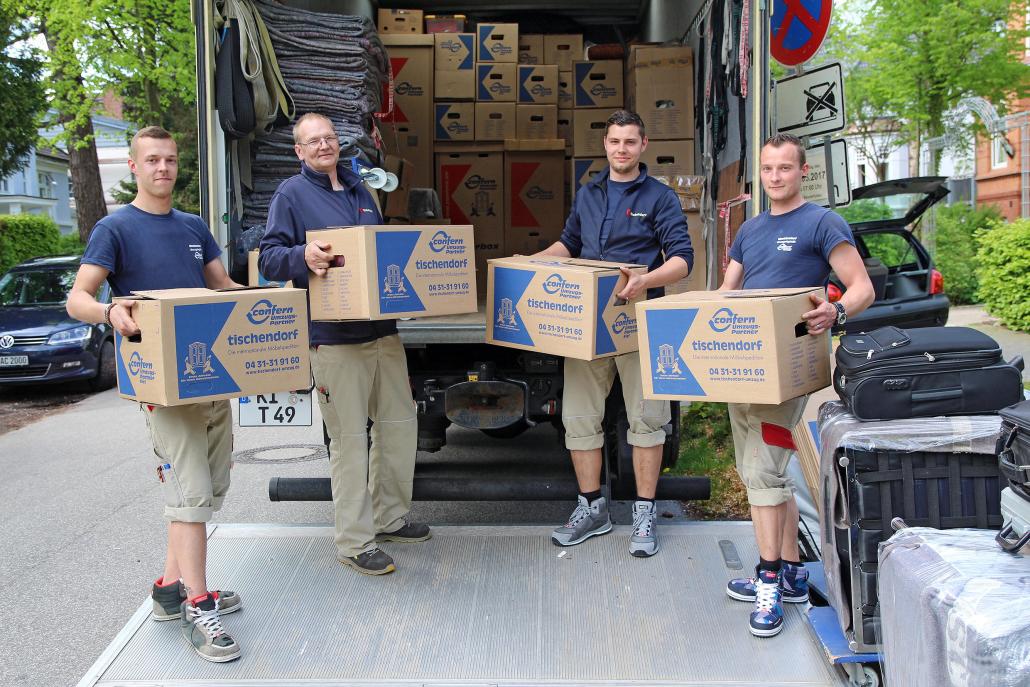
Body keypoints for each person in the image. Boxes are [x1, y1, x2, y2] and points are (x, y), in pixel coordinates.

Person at [67, 126, 244, 663]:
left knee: (210, 487)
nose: (163, 168)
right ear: (135, 167)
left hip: (211, 375)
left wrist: (276, 301)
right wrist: (109, 311)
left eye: (169, 160)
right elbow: (78, 297)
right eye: (152, 160)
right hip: (161, 387)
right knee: (190, 495)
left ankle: (169, 589)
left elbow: (223, 288)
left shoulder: (194, 227)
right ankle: (198, 604)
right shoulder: (114, 227)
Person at [259, 112, 429, 576]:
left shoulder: (361, 190)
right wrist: (302, 256)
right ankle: (355, 542)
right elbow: (269, 258)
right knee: (350, 441)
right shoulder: (291, 196)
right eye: (312, 141)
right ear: (299, 151)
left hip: (382, 334)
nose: (323, 146)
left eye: (329, 138)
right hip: (334, 341)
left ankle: (390, 517)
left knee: (398, 428)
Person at [720, 133, 875, 637]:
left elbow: (862, 288)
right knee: (759, 473)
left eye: (784, 168)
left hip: (788, 370)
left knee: (764, 470)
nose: (775, 177)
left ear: (801, 171)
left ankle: (767, 584)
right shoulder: (749, 228)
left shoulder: (822, 223)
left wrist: (834, 311)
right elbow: (729, 291)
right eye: (767, 169)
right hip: (741, 365)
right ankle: (789, 571)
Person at [537, 109, 693, 557]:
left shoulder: (659, 198)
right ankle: (592, 508)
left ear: (643, 145)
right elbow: (569, 243)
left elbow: (683, 258)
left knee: (647, 418)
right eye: (613, 141)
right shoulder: (589, 193)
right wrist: (534, 261)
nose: (620, 149)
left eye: (629, 141)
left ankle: (644, 512)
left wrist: (646, 280)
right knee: (579, 418)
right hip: (587, 322)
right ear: (604, 145)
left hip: (639, 319)